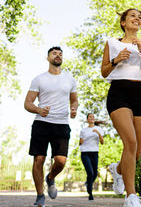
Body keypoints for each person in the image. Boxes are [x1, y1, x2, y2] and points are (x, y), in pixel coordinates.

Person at [101, 8, 141, 207]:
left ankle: (117, 170)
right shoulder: (112, 42)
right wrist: (116, 60)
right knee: (130, 142)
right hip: (119, 93)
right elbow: (104, 72)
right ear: (123, 22)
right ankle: (130, 197)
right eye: (133, 16)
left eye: (139, 17)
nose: (137, 19)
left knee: (137, 151)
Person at [24, 46, 78, 207]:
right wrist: (39, 110)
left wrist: (74, 108)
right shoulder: (39, 79)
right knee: (39, 158)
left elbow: (74, 100)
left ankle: (50, 177)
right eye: (54, 53)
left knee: (61, 161)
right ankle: (40, 195)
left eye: (60, 54)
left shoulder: (70, 79)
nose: (58, 55)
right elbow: (27, 103)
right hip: (42, 123)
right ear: (47, 58)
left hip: (61, 124)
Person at [79, 113, 104, 201]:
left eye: (93, 117)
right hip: (85, 153)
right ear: (87, 119)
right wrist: (81, 141)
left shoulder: (99, 129)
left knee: (95, 173)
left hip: (94, 153)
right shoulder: (83, 130)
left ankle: (87, 183)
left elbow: (102, 142)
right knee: (90, 172)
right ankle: (90, 193)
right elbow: (80, 142)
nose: (92, 118)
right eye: (90, 117)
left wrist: (98, 133)